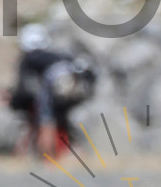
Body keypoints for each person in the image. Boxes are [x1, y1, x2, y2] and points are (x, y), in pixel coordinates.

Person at [9, 23, 97, 160]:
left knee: (46, 121)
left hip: (53, 90)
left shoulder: (29, 59)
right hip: (75, 91)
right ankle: (79, 156)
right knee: (63, 121)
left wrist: (15, 103)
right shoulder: (58, 55)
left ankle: (48, 157)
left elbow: (22, 89)